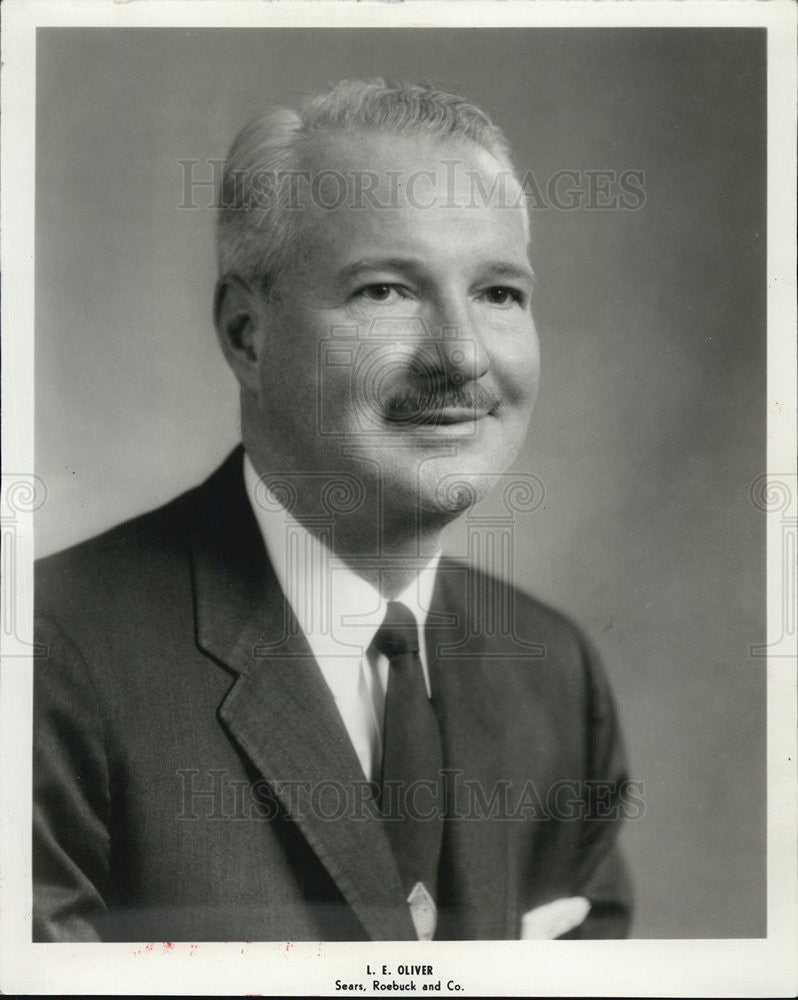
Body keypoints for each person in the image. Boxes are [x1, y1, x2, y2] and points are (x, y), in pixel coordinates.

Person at [33, 79, 633, 942]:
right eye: (385, 291)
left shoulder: (554, 674)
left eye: (499, 292)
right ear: (248, 335)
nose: (461, 355)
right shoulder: (49, 656)